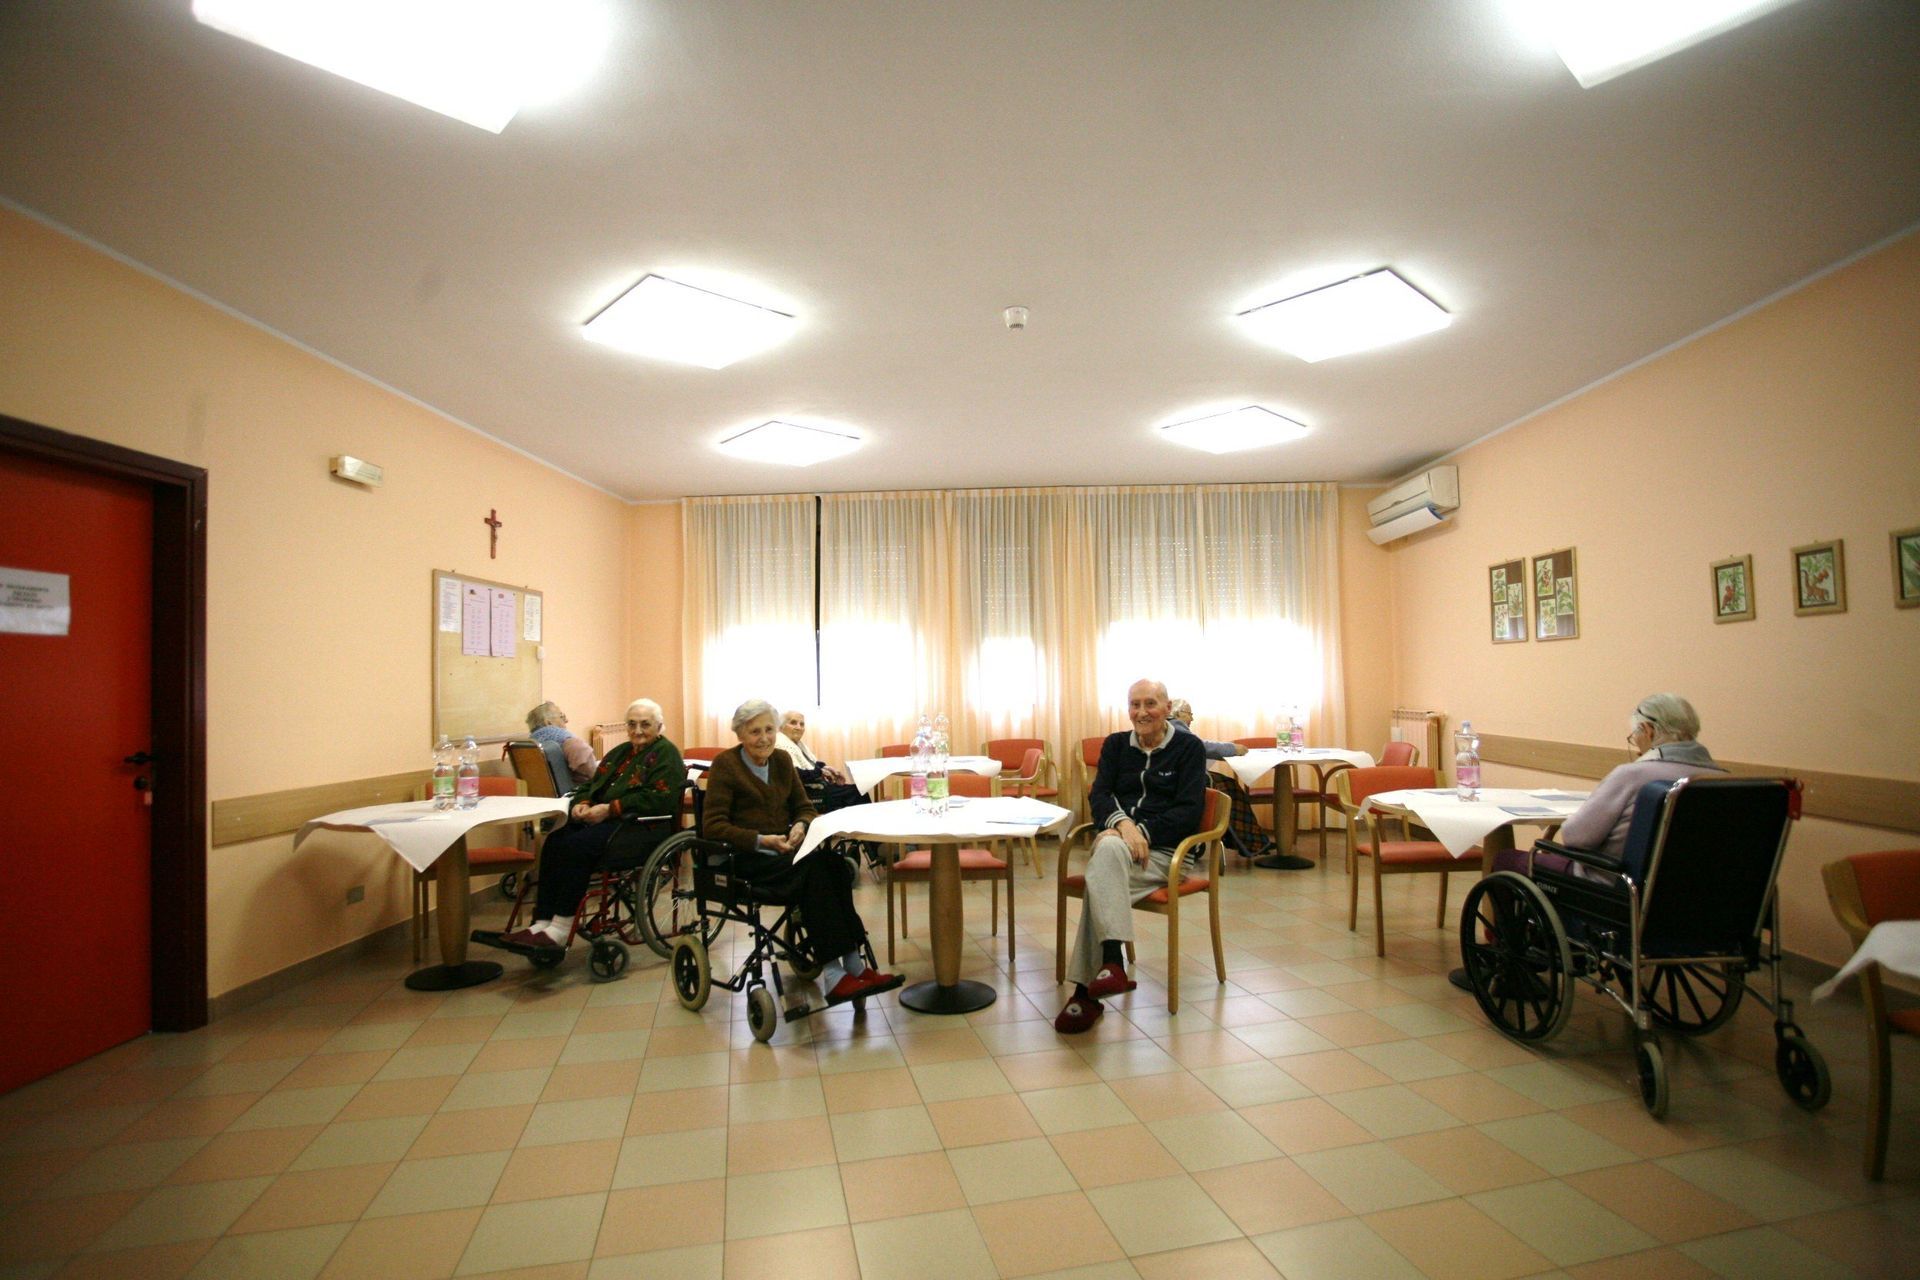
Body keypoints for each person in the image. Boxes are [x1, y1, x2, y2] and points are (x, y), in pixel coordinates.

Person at [703, 699, 903, 1004]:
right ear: (740, 734)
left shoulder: (782, 760)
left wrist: (800, 824)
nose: (764, 738)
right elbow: (713, 827)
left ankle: (854, 967)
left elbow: (805, 807)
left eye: (769, 729)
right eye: (755, 731)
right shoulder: (726, 765)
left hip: (784, 853)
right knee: (816, 872)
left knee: (833, 865)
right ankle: (835, 975)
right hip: (746, 859)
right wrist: (761, 839)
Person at [1055, 678, 1208, 1034]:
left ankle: (1087, 991)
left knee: (1099, 879)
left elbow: (1188, 811)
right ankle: (1111, 965)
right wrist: (1124, 826)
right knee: (1108, 851)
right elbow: (1100, 795)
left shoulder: (1189, 748)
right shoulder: (1115, 745)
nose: (1142, 712)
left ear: (1168, 708)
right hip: (1119, 844)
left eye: (1151, 704)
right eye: (1135, 705)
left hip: (1167, 855)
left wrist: (1144, 833)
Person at [505, 698, 681, 949]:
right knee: (556, 840)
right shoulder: (620, 752)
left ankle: (560, 927)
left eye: (646, 724)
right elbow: (591, 784)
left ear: (659, 726)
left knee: (578, 846)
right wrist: (582, 802)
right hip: (609, 823)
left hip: (641, 827)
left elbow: (661, 799)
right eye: (632, 724)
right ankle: (542, 921)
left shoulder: (666, 754)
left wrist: (610, 809)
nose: (638, 731)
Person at [1520, 693, 1726, 868]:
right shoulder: (1724, 782)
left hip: (1614, 888)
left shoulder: (1632, 775)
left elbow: (1576, 838)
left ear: (1648, 730)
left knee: (1508, 860)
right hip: (1690, 899)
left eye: (1636, 734)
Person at [1168, 698, 1277, 863]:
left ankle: (1250, 842)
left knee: (1227, 785)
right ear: (1177, 713)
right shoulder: (1174, 725)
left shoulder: (1168, 726)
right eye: (1189, 714)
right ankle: (1251, 842)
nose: (1192, 719)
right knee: (1228, 790)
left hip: (1178, 779)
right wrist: (1232, 748)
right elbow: (1199, 745)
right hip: (1184, 780)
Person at [773, 709, 868, 812]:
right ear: (781, 726)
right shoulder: (780, 745)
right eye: (793, 723)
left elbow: (812, 763)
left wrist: (827, 769)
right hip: (803, 794)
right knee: (858, 792)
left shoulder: (798, 744)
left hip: (814, 789)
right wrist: (820, 772)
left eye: (802, 724)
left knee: (858, 790)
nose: (799, 727)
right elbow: (796, 775)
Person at [525, 701, 598, 787]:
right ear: (548, 723)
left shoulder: (529, 745)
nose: (566, 720)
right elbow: (590, 770)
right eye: (561, 717)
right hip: (576, 792)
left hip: (542, 794)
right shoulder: (566, 740)